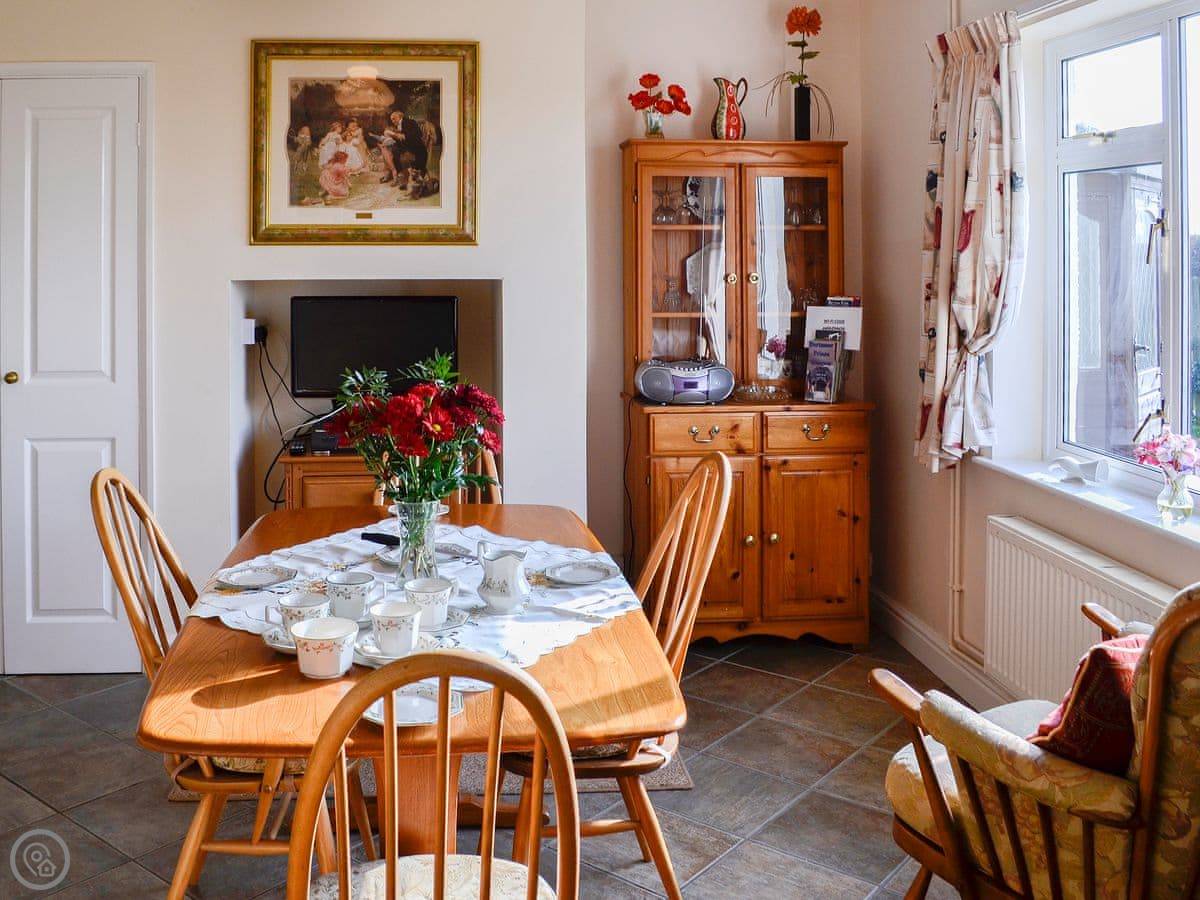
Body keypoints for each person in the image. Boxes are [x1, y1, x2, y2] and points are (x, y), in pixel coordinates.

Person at [376, 109, 427, 183]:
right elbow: (400, 139)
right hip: (405, 146)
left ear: (400, 117)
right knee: (387, 149)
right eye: (392, 120)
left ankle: (395, 173)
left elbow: (418, 134)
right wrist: (395, 137)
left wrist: (403, 136)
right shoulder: (398, 126)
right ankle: (392, 172)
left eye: (394, 119)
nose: (393, 121)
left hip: (415, 147)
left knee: (390, 150)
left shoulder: (409, 122)